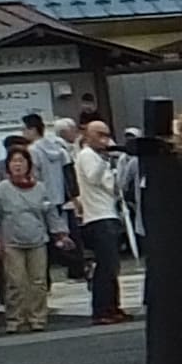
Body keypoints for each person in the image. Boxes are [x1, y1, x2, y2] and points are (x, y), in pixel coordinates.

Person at [63, 113, 133, 322]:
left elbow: (112, 187)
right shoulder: (86, 155)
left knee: (113, 265)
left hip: (109, 213)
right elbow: (93, 177)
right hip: (97, 217)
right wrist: (104, 159)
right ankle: (102, 309)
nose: (104, 139)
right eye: (100, 134)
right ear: (89, 135)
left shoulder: (99, 158)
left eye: (107, 135)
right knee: (105, 265)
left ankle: (113, 306)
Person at [0, 147, 60, 334]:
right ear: (8, 165)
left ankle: (38, 318)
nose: (18, 165)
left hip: (37, 239)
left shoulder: (40, 187)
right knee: (16, 282)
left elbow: (50, 212)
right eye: (14, 161)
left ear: (29, 165)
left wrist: (61, 233)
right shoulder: (0, 189)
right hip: (11, 241)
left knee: (38, 281)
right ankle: (15, 319)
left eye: (21, 161)